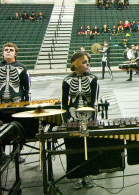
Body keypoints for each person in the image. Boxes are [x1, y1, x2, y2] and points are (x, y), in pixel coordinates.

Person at [0, 42, 31, 164]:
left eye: (11, 50)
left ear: (15, 53)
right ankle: (1, 153)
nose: (8, 51)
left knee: (18, 128)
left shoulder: (22, 68)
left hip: (17, 103)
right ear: (2, 53)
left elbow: (27, 88)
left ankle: (17, 153)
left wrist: (26, 105)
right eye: (6, 49)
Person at [62, 52, 98, 190]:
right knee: (73, 146)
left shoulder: (93, 79)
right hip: (72, 116)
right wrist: (65, 121)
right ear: (75, 64)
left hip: (89, 117)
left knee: (88, 146)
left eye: (88, 61)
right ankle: (76, 174)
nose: (87, 64)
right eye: (84, 62)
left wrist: (93, 121)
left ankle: (88, 173)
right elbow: (64, 104)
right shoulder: (66, 80)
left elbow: (94, 103)